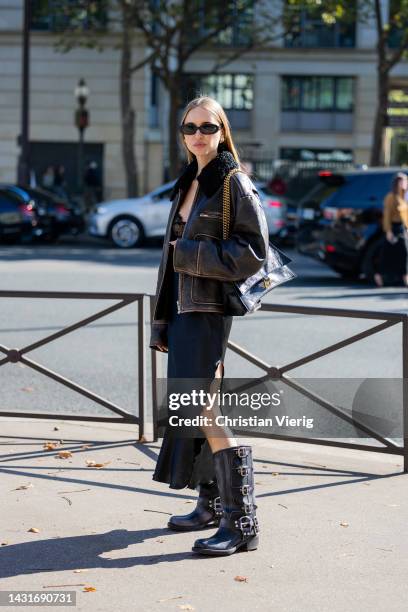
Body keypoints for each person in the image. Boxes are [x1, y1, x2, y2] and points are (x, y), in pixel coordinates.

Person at [149, 96, 269, 556]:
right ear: (182, 134)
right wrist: (160, 320)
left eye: (207, 126)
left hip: (206, 313)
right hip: (182, 311)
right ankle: (210, 505)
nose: (198, 135)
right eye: (189, 127)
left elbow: (251, 253)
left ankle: (243, 523)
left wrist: (189, 254)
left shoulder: (233, 183)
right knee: (193, 407)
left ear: (222, 131)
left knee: (203, 410)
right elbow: (168, 260)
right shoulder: (190, 181)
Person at [374, 172, 408, 287]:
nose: (405, 183)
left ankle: (403, 276)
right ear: (397, 183)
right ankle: (378, 275)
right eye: (402, 181)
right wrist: (388, 231)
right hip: (393, 227)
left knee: (402, 254)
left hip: (402, 227)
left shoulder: (404, 196)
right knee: (387, 254)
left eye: (406, 181)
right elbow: (387, 215)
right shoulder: (391, 197)